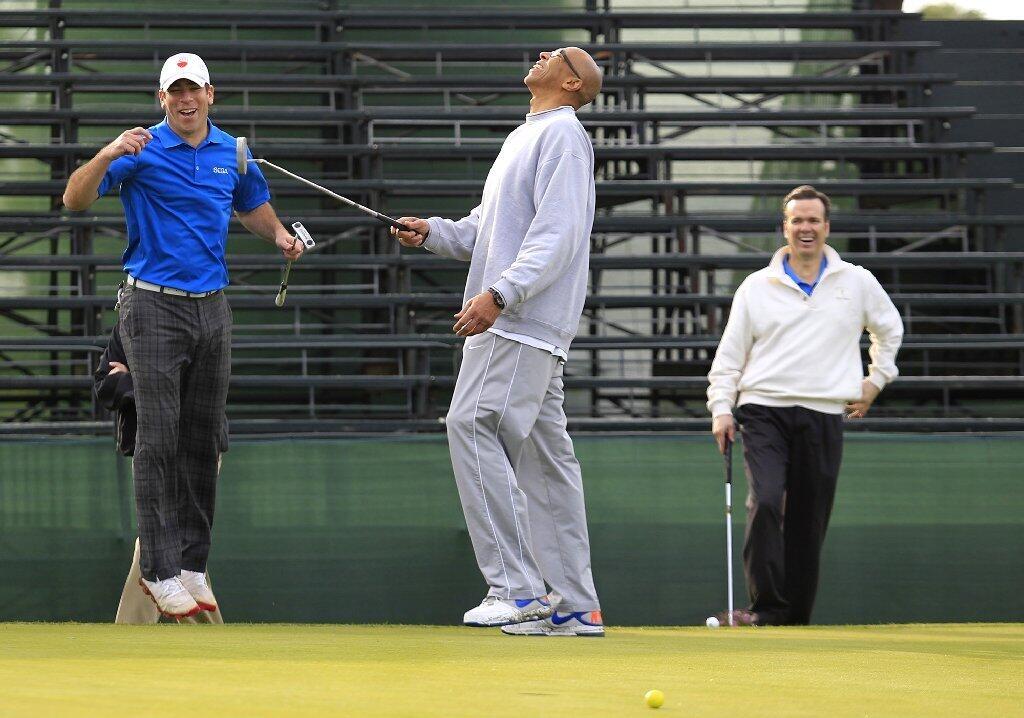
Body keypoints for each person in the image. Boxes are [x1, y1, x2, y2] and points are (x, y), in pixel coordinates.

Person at [63, 52, 304, 619]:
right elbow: (75, 198)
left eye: (194, 89)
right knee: (157, 437)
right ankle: (159, 570)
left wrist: (279, 238)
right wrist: (106, 153)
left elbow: (251, 207)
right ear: (162, 99)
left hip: (212, 308)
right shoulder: (140, 152)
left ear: (210, 94)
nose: (186, 99)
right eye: (176, 91)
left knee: (203, 437)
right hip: (151, 305)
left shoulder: (233, 152)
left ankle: (192, 564)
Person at [391, 47, 605, 636]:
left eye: (554, 55)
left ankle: (515, 589)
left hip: (518, 322)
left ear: (570, 82)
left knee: (472, 425)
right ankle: (574, 604)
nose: (541, 55)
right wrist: (433, 233)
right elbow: (488, 229)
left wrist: (501, 295)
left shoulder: (563, 133)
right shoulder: (528, 135)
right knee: (544, 461)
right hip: (531, 325)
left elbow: (557, 234)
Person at [706, 185, 904, 626]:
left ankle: (794, 618)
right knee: (768, 502)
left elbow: (890, 330)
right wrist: (722, 408)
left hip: (824, 413)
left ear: (827, 227)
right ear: (785, 227)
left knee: (809, 520)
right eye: (797, 220)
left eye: (813, 220)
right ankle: (766, 608)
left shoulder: (857, 282)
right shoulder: (756, 287)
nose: (805, 228)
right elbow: (729, 356)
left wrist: (875, 381)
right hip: (763, 411)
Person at [92, 322, 226, 624]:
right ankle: (210, 636)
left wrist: (138, 383)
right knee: (176, 548)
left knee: (161, 544)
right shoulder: (130, 323)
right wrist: (148, 388)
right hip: (149, 450)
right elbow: (104, 384)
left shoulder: (197, 316)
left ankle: (131, 634)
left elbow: (194, 389)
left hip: (196, 448)